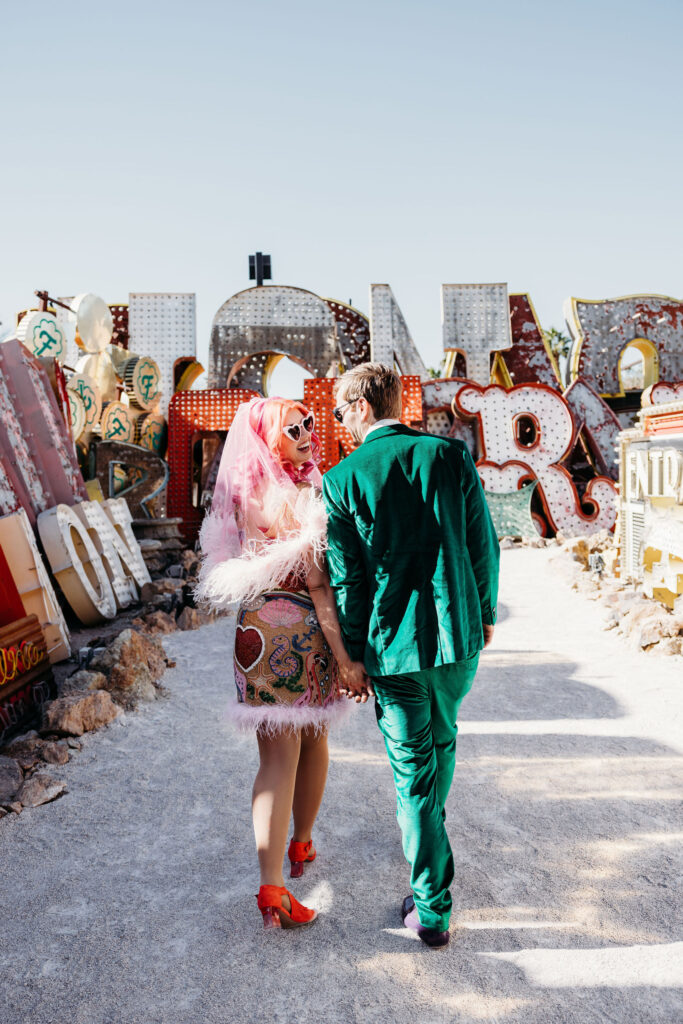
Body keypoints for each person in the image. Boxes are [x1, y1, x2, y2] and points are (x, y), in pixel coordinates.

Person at [322, 363, 499, 949]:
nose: (342, 423)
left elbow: (347, 581)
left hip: (392, 647)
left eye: (343, 411)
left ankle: (432, 909)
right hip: (458, 640)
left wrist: (351, 652)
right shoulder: (450, 457)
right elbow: (482, 543)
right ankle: (431, 849)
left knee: (412, 777)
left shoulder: (344, 478)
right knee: (442, 742)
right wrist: (487, 612)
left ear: (362, 407)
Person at [196, 397, 369, 932]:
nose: (306, 432)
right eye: (291, 428)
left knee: (276, 756)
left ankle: (278, 876)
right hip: (304, 632)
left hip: (255, 633)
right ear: (270, 438)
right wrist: (344, 659)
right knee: (313, 738)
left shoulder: (245, 496)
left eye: (308, 423)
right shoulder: (306, 498)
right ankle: (297, 849)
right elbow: (319, 584)